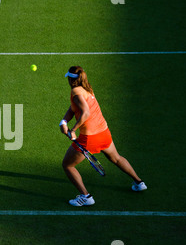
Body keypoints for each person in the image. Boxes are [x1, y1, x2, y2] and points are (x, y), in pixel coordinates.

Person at [59, 66, 147, 206]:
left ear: (70, 79)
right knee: (116, 158)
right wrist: (64, 121)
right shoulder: (87, 88)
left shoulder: (75, 92)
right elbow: (74, 108)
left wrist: (73, 129)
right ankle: (139, 182)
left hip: (90, 138)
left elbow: (85, 112)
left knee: (67, 165)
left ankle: (86, 196)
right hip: (104, 132)